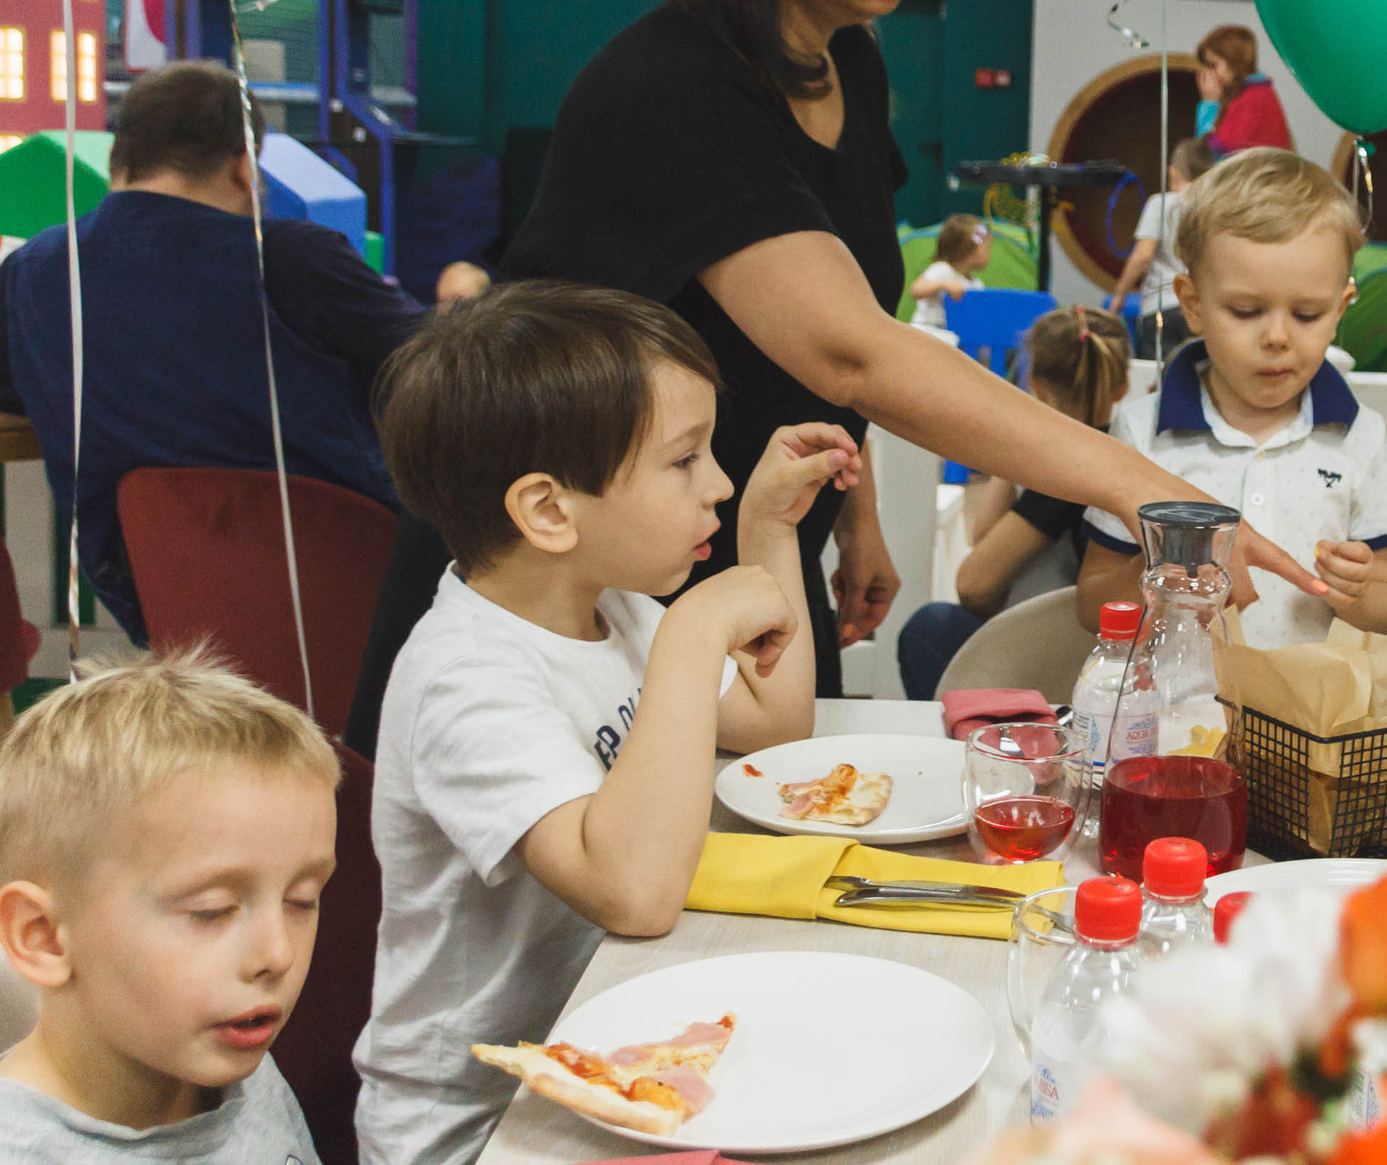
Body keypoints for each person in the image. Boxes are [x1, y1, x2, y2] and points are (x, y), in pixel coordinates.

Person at [350, 0, 1322, 729]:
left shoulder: (847, 61)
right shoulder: (676, 87)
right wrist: (1145, 489)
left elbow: (839, 310)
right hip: (566, 568)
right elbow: (852, 352)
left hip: (730, 534)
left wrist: (852, 508)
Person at [355, 282, 837, 1165]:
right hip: (481, 1124)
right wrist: (693, 633)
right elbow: (636, 893)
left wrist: (769, 530)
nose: (719, 482)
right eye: (684, 459)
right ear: (549, 511)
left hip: (610, 1056)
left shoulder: (610, 605)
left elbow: (774, 722)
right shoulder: (465, 677)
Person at [0, 61, 423, 643]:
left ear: (120, 158)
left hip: (153, 604)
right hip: (348, 591)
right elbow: (448, 368)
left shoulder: (32, 271)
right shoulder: (291, 258)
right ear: (245, 168)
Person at [0, 646, 339, 1162]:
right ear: (43, 936)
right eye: (211, 910)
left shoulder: (245, 1070)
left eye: (301, 900)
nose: (278, 955)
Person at [1078, 149, 1387, 644]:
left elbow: (1385, 609)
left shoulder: (1360, 435)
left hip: (1303, 693)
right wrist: (1155, 572)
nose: (1277, 337)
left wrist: (1355, 593)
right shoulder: (1140, 430)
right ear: (1193, 304)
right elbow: (1090, 604)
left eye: (1308, 314)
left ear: (1341, 308)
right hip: (1174, 691)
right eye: (1247, 311)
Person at [901, 308, 1132, 698]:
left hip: (1051, 661)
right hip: (1090, 653)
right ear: (1122, 386)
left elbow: (974, 584)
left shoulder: (1069, 468)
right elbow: (985, 535)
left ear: (1037, 387)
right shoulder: (1123, 453)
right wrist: (1016, 456)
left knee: (928, 628)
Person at [1107, 136, 1213, 360]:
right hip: (1201, 308)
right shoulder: (1215, 207)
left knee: (1157, 376)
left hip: (1161, 306)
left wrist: (1120, 292)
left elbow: (1143, 256)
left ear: (1173, 173)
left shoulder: (1161, 203)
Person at [1194, 25, 1293, 156]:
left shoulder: (1252, 100)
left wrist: (1209, 104)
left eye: (1213, 65)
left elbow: (1208, 156)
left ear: (1233, 63)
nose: (1209, 74)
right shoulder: (1254, 93)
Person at [908, 214, 989, 333]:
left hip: (950, 334)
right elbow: (915, 290)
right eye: (986, 247)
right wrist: (942, 284)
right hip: (927, 331)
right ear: (966, 251)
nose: (988, 253)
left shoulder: (976, 284)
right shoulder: (942, 269)